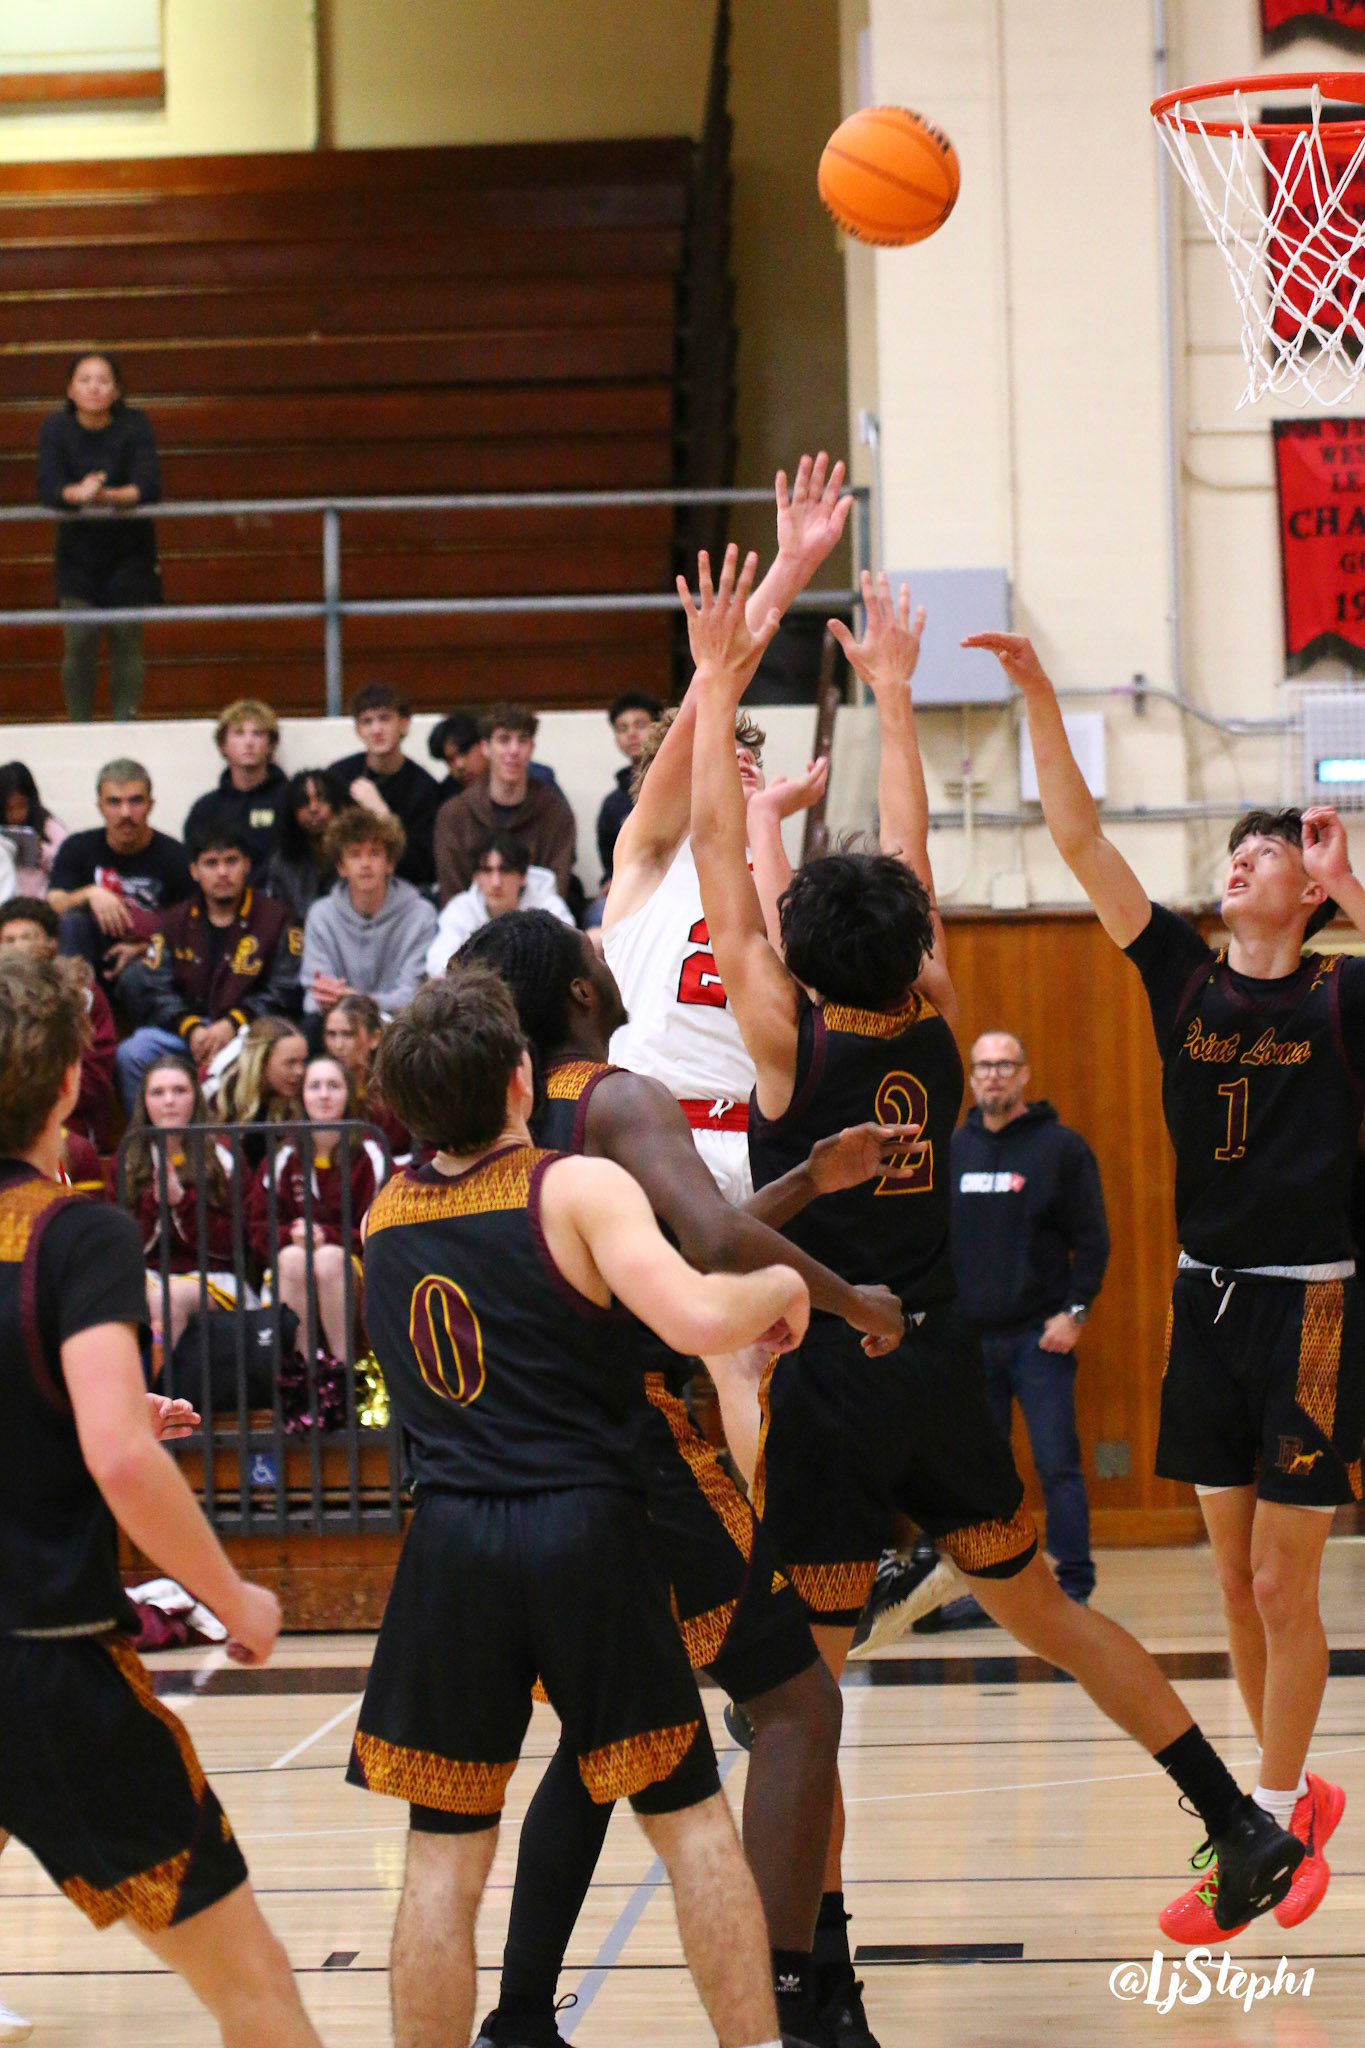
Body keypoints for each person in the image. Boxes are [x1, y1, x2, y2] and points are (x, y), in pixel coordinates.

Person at [687, 551, 1304, 2042]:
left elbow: (714, 850)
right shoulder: (937, 1019)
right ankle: (1235, 1818)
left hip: (834, 1388)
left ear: (794, 953)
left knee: (801, 1707)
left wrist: (716, 678)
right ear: (913, 945)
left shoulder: (782, 1039)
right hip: (946, 1372)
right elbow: (908, 851)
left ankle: (820, 1989)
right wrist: (896, 696)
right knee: (1048, 1612)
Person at [966, 625, 1365, 1942]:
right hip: (1205, 1303)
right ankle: (1282, 1804)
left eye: (1268, 852)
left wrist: (1349, 878)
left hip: (1313, 1307)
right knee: (1233, 1576)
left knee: (1283, 1588)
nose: (1241, 858)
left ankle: (1267, 1820)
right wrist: (1038, 694)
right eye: (1237, 849)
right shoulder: (1181, 978)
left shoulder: (1342, 995)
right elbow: (1081, 839)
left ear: (1305, 895)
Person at [459, 907, 903, 2048]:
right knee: (798, 1706)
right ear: (575, 994)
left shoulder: (504, 1121)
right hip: (644, 1454)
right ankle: (784, 2001)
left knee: (600, 1745)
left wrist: (805, 1178)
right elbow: (708, 1243)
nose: (610, 959)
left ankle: (517, 2019)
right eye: (593, 954)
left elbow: (673, 1245)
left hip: (535, 1464)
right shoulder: (615, 1095)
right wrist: (852, 1301)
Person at [347, 965, 809, 2048]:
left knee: (442, 1860)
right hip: (581, 1528)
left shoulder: (382, 1217)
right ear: (520, 1078)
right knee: (691, 1829)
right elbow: (699, 1316)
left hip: (450, 1540)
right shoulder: (572, 1188)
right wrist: (781, 1288)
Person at [0, 950, 324, 2047]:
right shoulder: (76, 1228)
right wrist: (235, 1596)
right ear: (68, 1083)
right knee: (256, 1990)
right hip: (47, 1665)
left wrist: (81, 1392)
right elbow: (121, 1459)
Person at [948, 1029, 1110, 1613]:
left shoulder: (1061, 1149)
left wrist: (1075, 1314)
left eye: (1004, 1065)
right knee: (982, 1473)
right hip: (970, 1344)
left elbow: (1093, 1240)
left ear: (1024, 1074)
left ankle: (1074, 1584)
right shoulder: (954, 1150)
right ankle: (994, 1590)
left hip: (1040, 1340)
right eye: (983, 1066)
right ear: (972, 1078)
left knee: (1056, 1465)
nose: (993, 1074)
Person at [114, 821, 303, 1111]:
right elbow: (154, 986)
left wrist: (234, 1023)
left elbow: (286, 989)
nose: (222, 872)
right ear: (194, 871)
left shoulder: (277, 919)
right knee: (132, 1053)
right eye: (211, 863)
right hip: (186, 1032)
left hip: (250, 1036)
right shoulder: (173, 921)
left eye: (231, 861)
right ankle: (149, 1135)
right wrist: (190, 1028)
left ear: (246, 865)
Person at [36, 352, 161, 722]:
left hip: (130, 552)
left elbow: (147, 487)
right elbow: (49, 487)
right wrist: (76, 493)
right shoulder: (56, 427)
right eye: (85, 380)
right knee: (79, 642)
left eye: (104, 381)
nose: (94, 388)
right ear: (70, 390)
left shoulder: (135, 424)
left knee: (126, 641)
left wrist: (103, 496)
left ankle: (124, 724)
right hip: (77, 555)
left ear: (117, 391)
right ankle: (79, 727)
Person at [247, 1054, 386, 1366]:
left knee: (328, 1259)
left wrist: (327, 1236)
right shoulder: (282, 1157)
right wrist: (290, 1235)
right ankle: (303, 1374)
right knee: (292, 1258)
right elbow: (258, 1228)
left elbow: (378, 1227)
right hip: (291, 1266)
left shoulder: (370, 1155)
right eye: (315, 1086)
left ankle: (342, 1373)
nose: (324, 1095)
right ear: (302, 1096)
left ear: (348, 1094)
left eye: (334, 1086)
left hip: (354, 1268)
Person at [122, 1055, 242, 1357]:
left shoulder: (223, 1154)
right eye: (158, 1093)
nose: (169, 1101)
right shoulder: (129, 1155)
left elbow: (235, 1241)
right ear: (144, 1102)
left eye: (179, 1091)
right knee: (126, 1294)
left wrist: (182, 1204)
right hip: (149, 1274)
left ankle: (164, 1386)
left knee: (167, 1298)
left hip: (212, 1276)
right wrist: (154, 1205)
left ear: (196, 1098)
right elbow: (122, 1241)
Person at [47, 759, 192, 993]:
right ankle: (75, 1007)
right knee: (72, 920)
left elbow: (191, 926)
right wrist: (90, 893)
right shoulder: (77, 847)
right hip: (88, 952)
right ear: (100, 806)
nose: (125, 813)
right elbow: (54, 903)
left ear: (150, 804)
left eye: (135, 801)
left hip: (148, 957)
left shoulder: (176, 856)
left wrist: (145, 948)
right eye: (114, 802)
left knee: (140, 975)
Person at [0, 896, 116, 1150]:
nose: (17, 946)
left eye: (27, 937)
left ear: (51, 943)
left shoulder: (82, 996)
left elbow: (95, 1074)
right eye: (8, 940)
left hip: (65, 1120)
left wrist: (34, 1097)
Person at [434, 703, 577, 906]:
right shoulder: (454, 815)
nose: (513, 750)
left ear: (532, 747)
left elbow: (555, 893)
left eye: (522, 740)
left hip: (538, 921)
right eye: (503, 740)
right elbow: (452, 897)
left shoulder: (556, 814)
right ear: (485, 747)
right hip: (471, 921)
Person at [301, 809, 437, 1020]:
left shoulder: (421, 915)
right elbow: (313, 998)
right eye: (355, 854)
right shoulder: (321, 915)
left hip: (401, 1025)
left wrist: (355, 1001)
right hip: (336, 1025)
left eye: (374, 853)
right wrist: (326, 996)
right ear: (341, 866)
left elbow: (416, 996)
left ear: (390, 863)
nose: (365, 864)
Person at [325, 682, 442, 892]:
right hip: (345, 889)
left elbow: (421, 867)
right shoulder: (338, 776)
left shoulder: (424, 788)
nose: (376, 730)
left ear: (404, 724)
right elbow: (328, 851)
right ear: (358, 730)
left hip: (405, 892)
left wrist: (381, 813)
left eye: (385, 718)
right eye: (367, 721)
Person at [427, 831, 573, 976]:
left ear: (522, 876)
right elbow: (438, 962)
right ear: (476, 877)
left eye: (505, 870)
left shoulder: (550, 907)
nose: (496, 882)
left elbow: (568, 956)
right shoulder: (460, 909)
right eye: (487, 870)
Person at [183, 700, 291, 885]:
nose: (249, 742)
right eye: (239, 733)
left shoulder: (290, 800)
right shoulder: (206, 808)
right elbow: (193, 862)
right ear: (223, 745)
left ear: (271, 744)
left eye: (257, 733)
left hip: (277, 898)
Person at [323, 992, 410, 1163]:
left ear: (374, 1038)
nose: (338, 1046)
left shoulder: (393, 1094)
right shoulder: (317, 1091)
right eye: (331, 1034)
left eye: (348, 1034)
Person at [215, 1016, 309, 1168]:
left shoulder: (305, 1097)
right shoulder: (220, 1097)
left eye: (303, 1061)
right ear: (262, 1062)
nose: (300, 1071)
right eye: (290, 1062)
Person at [596, 690, 663, 884]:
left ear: (659, 727)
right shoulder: (613, 803)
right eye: (622, 728)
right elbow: (609, 862)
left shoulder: (679, 784)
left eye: (640, 725)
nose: (631, 734)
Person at [262, 770, 336, 923]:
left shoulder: (354, 854)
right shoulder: (283, 862)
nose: (314, 808)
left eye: (321, 799)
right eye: (304, 802)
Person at [0, 762, 66, 895]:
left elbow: (67, 860)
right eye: (9, 809)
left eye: (21, 806)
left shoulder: (47, 825)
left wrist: (42, 852)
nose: (16, 815)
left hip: (38, 902)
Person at [428, 710, 487, 802]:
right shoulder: (444, 798)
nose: (460, 765)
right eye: (450, 759)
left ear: (484, 745)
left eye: (465, 752)